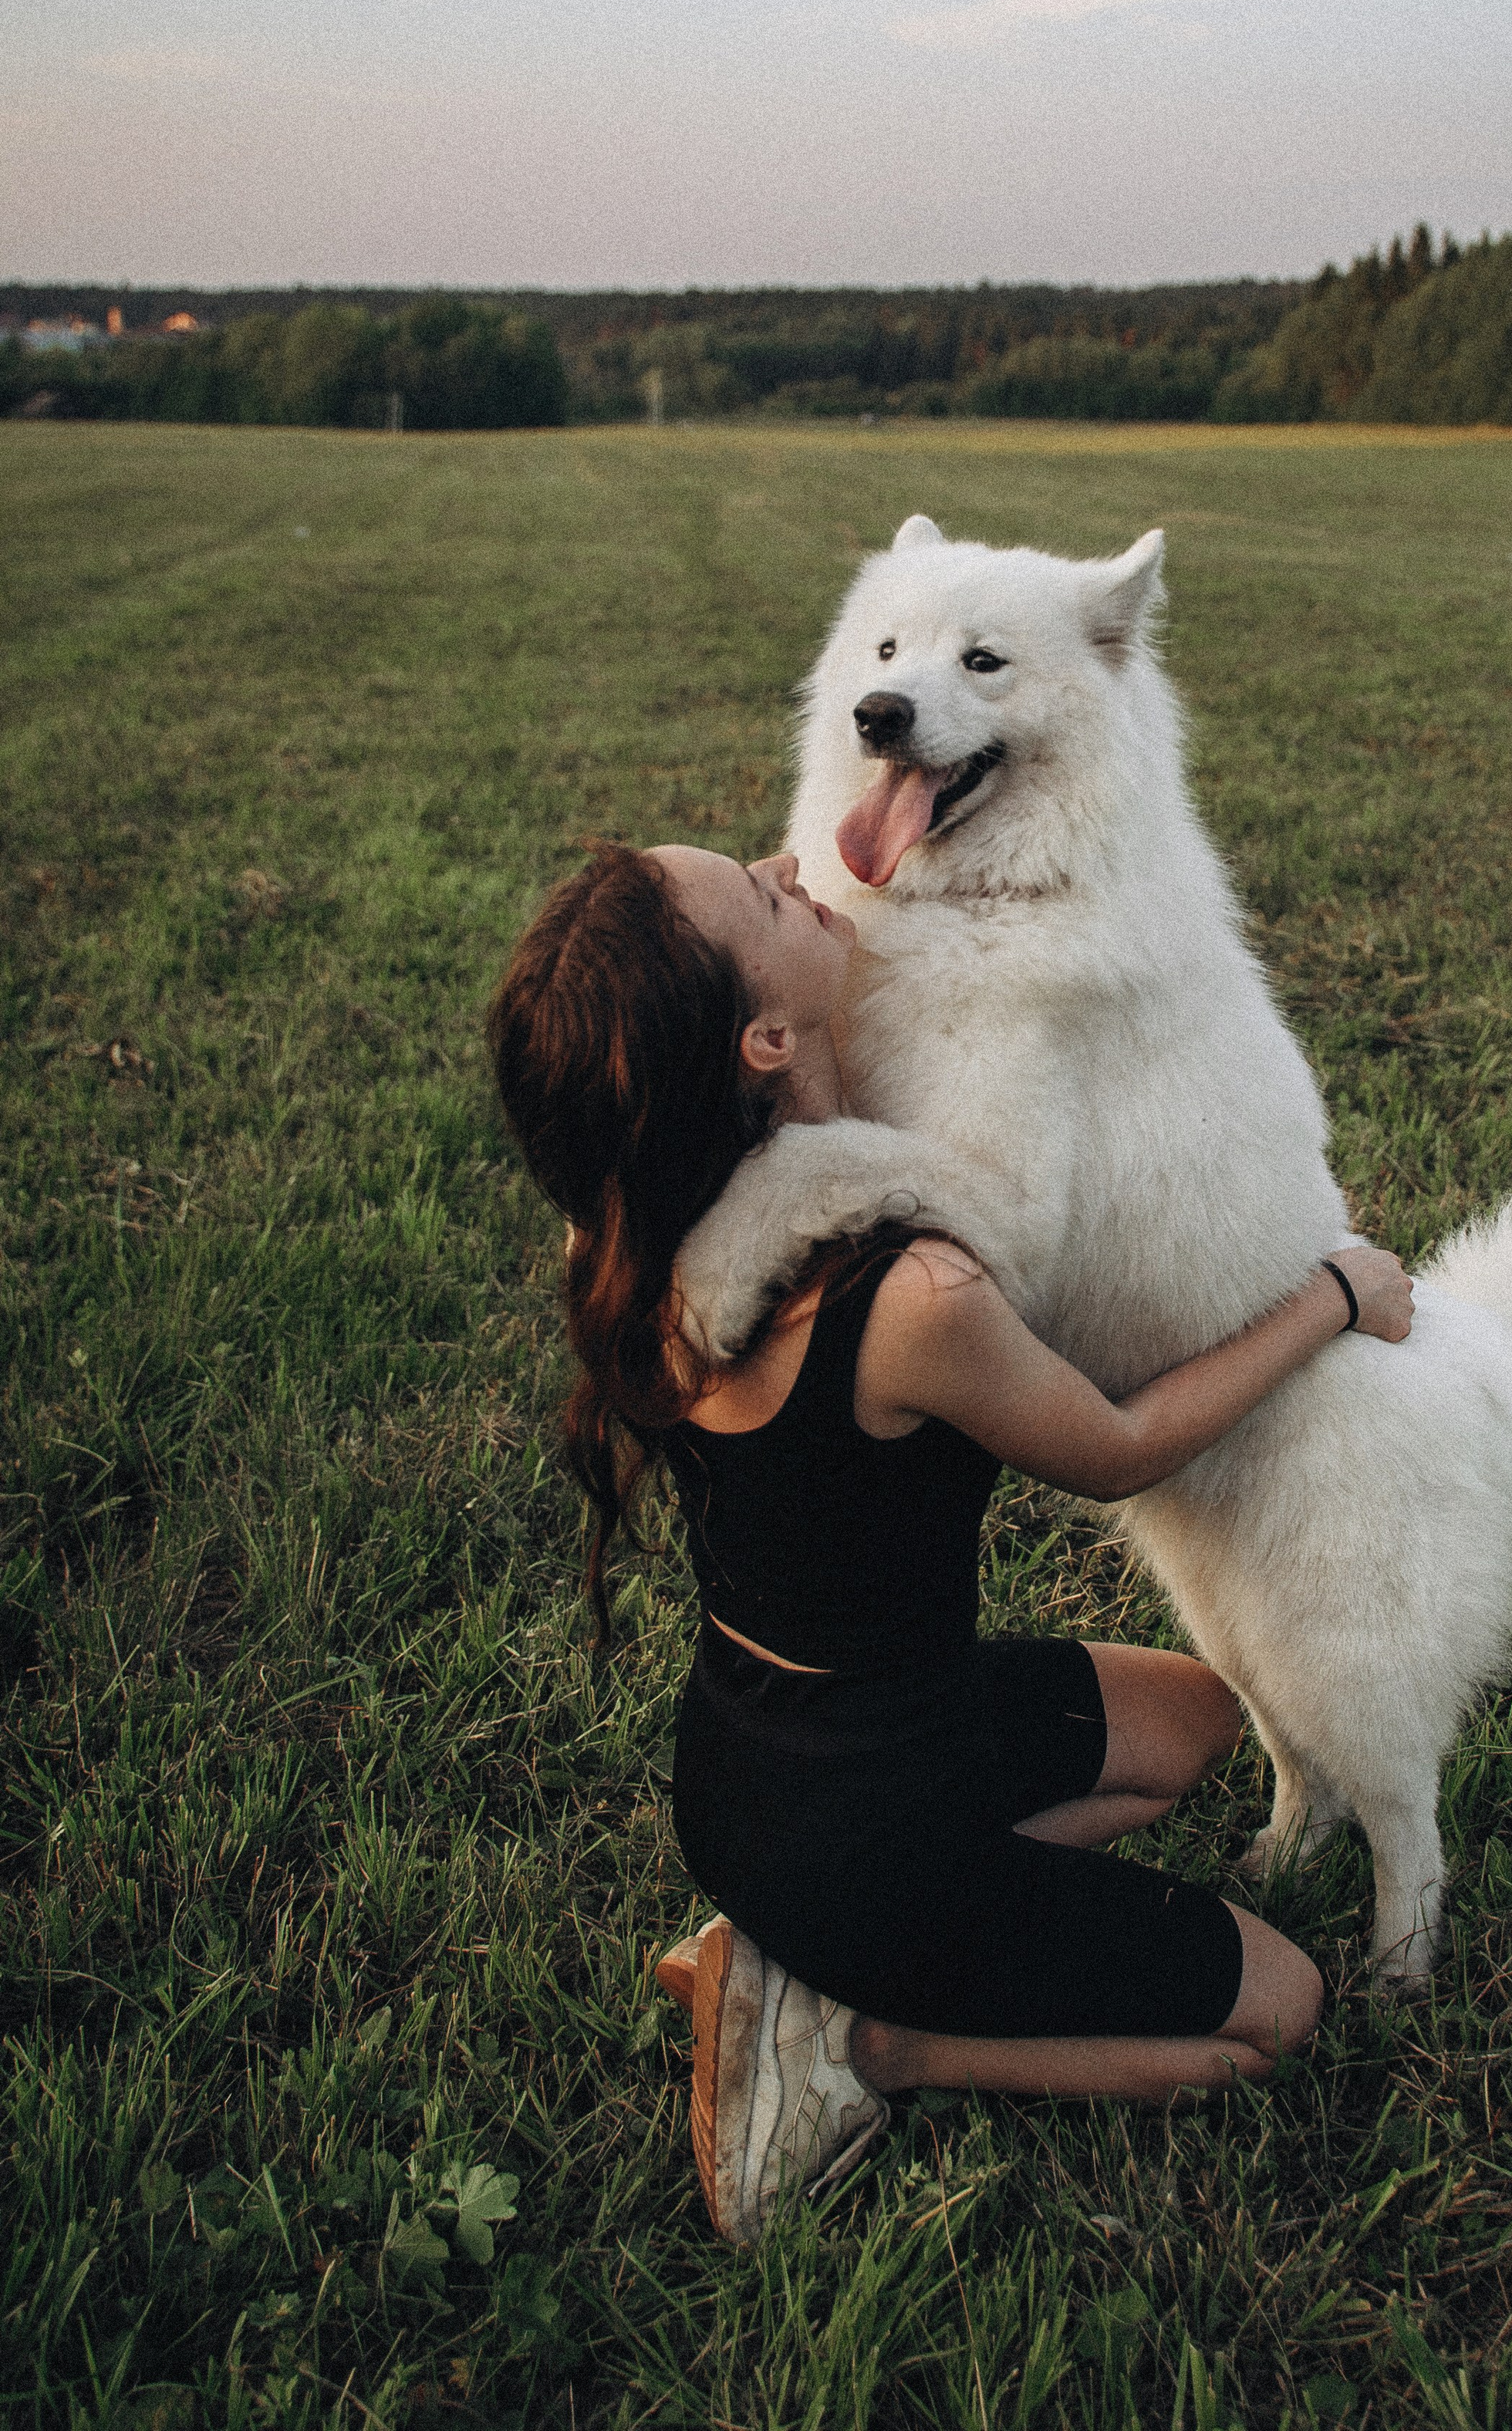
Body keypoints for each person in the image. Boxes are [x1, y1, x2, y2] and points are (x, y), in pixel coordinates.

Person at [488, 840, 1415, 2244]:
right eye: (756, 891)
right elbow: (1116, 1447)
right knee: (1281, 2011)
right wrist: (1333, 1296)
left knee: (1199, 1718)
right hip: (866, 1824)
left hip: (761, 1756)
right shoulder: (910, 1298)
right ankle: (865, 2040)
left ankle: (800, 1948)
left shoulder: (637, 1242)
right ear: (764, 1039)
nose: (790, 859)